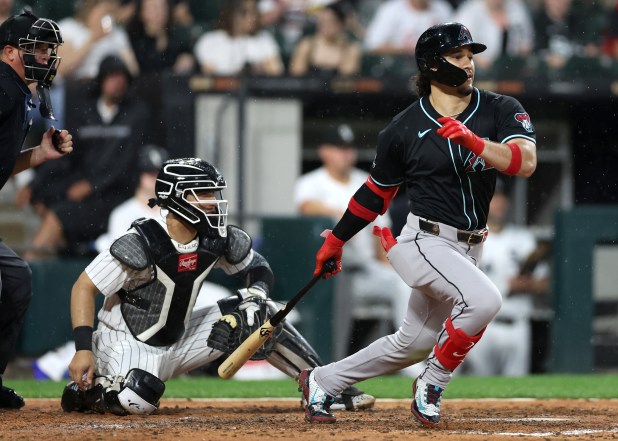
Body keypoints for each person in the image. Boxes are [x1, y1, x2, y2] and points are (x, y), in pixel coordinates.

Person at [298, 22, 537, 426]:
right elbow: (375, 194)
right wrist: (336, 241)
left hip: (470, 247)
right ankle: (433, 380)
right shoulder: (403, 128)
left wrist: (475, 142)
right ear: (432, 66)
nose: (468, 63)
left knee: (411, 344)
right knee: (484, 301)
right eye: (457, 56)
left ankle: (323, 380)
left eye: (470, 55)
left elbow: (525, 162)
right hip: (424, 241)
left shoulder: (500, 108)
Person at [61, 157, 375, 415]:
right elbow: (83, 288)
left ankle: (325, 383)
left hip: (179, 340)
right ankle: (92, 390)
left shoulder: (215, 238)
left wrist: (255, 295)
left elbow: (258, 268)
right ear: (177, 198)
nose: (213, 202)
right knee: (138, 397)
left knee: (264, 312)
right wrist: (82, 350)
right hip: (126, 343)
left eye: (213, 193)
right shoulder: (140, 242)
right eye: (203, 194)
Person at [0, 11, 73, 408]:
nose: (45, 55)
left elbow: (2, 163)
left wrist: (40, 154)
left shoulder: (15, 91)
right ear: (9, 51)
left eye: (48, 48)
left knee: (15, 280)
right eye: (36, 48)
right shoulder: (4, 88)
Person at [294, 123, 411, 347]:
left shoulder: (365, 181)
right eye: (339, 148)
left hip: (365, 271)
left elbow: (380, 233)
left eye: (349, 148)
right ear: (324, 151)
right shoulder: (311, 182)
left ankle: (408, 351)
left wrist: (390, 265)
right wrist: (345, 222)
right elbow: (305, 207)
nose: (346, 154)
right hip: (329, 273)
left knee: (405, 283)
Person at [24, 55, 150, 259]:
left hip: (113, 193)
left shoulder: (137, 113)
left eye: (122, 77)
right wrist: (34, 184)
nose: (118, 82)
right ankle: (62, 244)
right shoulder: (84, 112)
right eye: (112, 76)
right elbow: (66, 154)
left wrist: (91, 185)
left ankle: (30, 266)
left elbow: (126, 164)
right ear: (101, 80)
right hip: (80, 185)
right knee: (40, 196)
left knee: (60, 215)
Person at [462, 180, 549, 376]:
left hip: (518, 324)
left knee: (515, 392)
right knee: (479, 389)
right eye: (494, 197)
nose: (499, 202)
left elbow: (544, 283)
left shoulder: (522, 237)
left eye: (502, 197)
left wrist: (526, 285)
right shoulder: (470, 239)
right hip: (483, 326)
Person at [194, 0, 284, 76]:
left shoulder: (264, 39)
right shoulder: (210, 40)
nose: (251, 17)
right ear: (232, 13)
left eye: (254, 12)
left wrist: (259, 67)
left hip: (255, 94)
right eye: (244, 12)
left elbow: (277, 71)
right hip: (220, 95)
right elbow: (208, 72)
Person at [454, 0, 534, 71]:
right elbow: (458, 43)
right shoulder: (469, 11)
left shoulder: (516, 7)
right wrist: (475, 58)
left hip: (513, 66)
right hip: (479, 71)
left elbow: (527, 38)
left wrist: (524, 49)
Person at [288, 2, 361, 77]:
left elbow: (347, 79)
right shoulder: (307, 45)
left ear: (340, 23)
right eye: (322, 22)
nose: (325, 26)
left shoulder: (350, 49)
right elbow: (296, 76)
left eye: (330, 21)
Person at [363, 0, 453, 56]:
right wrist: (406, 49)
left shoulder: (442, 8)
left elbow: (453, 41)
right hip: (398, 65)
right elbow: (372, 45)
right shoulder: (391, 9)